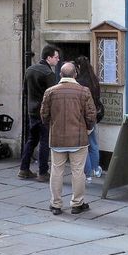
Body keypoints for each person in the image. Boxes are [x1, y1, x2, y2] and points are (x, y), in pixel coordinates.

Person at [41, 62, 96, 215]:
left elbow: (44, 115)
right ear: (75, 75)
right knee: (78, 172)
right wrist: (88, 128)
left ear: (60, 74)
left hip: (57, 138)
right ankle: (77, 203)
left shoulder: (50, 92)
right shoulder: (84, 91)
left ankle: (56, 204)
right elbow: (91, 115)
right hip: (78, 138)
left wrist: (52, 127)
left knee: (56, 171)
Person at [18, 45, 59, 182]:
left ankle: (23, 169)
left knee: (31, 139)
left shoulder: (29, 70)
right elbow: (53, 95)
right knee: (44, 141)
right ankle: (43, 172)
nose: (58, 60)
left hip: (31, 111)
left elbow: (24, 91)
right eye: (56, 57)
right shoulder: (49, 74)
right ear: (48, 58)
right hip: (43, 112)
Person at [75, 56, 104, 183]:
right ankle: (96, 168)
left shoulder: (80, 82)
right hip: (94, 115)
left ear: (79, 67)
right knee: (93, 143)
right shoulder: (94, 80)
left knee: (83, 145)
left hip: (83, 116)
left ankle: (87, 174)